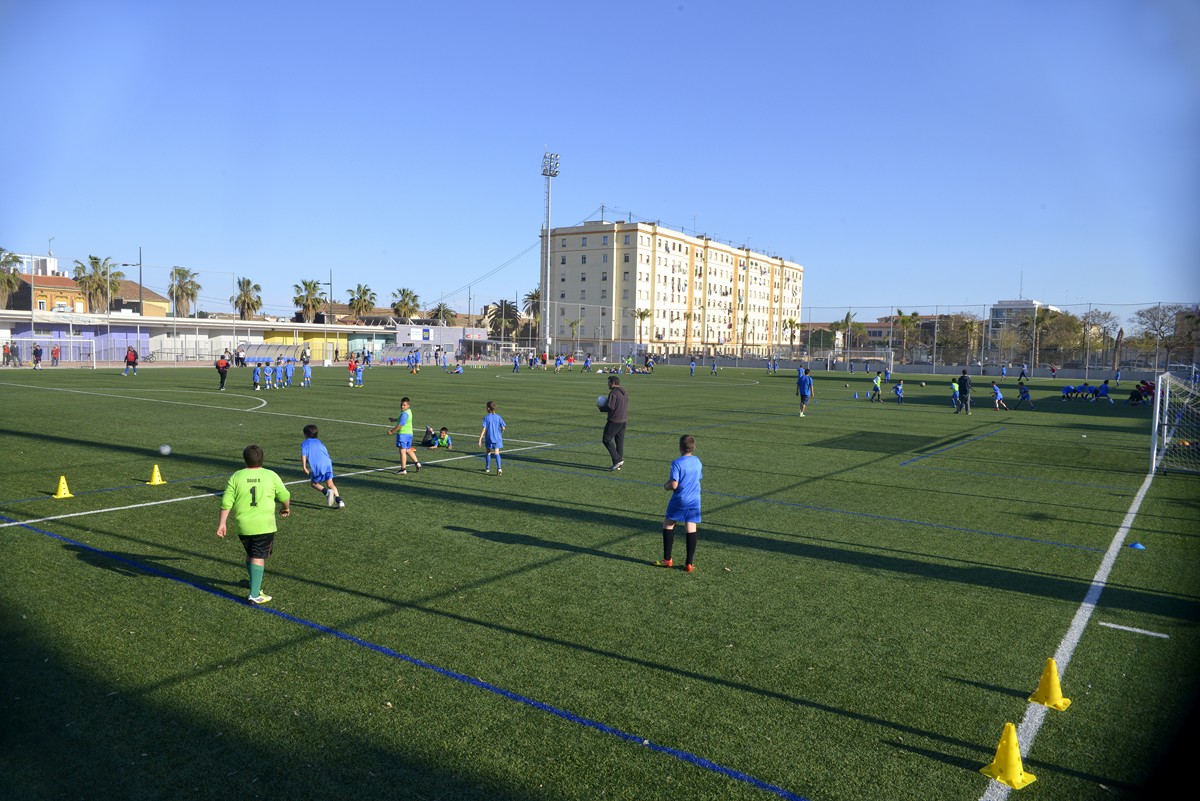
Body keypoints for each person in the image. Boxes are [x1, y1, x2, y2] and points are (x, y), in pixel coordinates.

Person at [216, 444, 291, 605]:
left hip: (243, 525)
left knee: (251, 553)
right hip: (264, 525)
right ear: (262, 459)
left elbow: (226, 501)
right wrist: (285, 508)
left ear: (245, 460)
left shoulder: (236, 476)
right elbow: (284, 495)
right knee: (258, 556)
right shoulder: (271, 475)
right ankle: (255, 594)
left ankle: (253, 583)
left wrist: (222, 523)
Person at [655, 434, 702, 573]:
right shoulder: (697, 461)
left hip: (680, 499)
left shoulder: (677, 463)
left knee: (668, 524)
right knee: (691, 526)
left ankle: (667, 559)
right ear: (694, 447)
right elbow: (698, 477)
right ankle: (689, 563)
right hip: (695, 499)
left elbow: (674, 484)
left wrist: (666, 486)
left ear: (680, 448)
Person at [301, 424, 344, 508]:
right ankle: (340, 501)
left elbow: (303, 455)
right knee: (330, 483)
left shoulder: (305, 443)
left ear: (305, 434)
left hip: (318, 466)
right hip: (328, 463)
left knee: (314, 483)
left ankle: (326, 492)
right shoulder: (319, 442)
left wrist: (304, 467)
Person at [387, 396, 422, 474]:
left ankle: (403, 469)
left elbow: (400, 424)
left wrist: (392, 431)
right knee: (408, 449)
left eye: (404, 405)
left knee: (402, 451)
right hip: (409, 434)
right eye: (401, 405)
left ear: (408, 405)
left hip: (403, 434)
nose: (402, 406)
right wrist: (394, 419)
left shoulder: (404, 413)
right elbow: (402, 419)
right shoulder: (408, 411)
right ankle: (417, 463)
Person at [600, 375, 628, 470]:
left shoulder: (613, 393)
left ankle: (617, 460)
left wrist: (601, 407)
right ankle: (618, 463)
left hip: (614, 420)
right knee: (619, 441)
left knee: (606, 439)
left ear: (613, 383)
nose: (608, 385)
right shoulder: (624, 392)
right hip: (623, 420)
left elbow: (610, 407)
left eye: (609, 383)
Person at [479, 400, 506, 475]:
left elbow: (484, 429)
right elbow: (503, 427)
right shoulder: (498, 417)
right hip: (497, 438)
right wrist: (500, 433)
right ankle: (499, 468)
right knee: (497, 452)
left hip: (489, 438)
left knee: (488, 452)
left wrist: (480, 439)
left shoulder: (486, 418)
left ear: (488, 408)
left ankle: (487, 468)